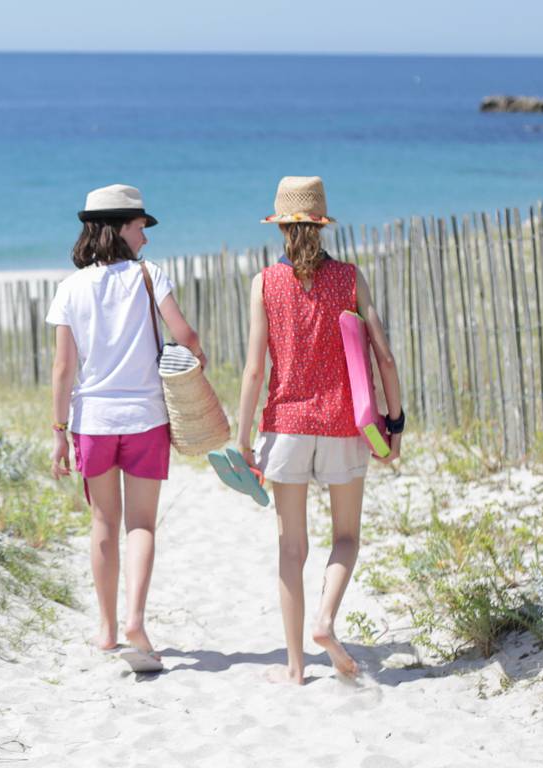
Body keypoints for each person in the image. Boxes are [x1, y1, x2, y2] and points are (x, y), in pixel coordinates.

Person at [234, 176, 405, 685]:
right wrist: (394, 423)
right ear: (322, 224)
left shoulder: (265, 283)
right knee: (346, 536)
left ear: (282, 227)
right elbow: (385, 355)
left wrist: (243, 440)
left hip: (284, 426)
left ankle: (293, 668)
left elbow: (253, 371)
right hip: (341, 425)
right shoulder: (350, 279)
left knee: (291, 548)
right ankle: (327, 620)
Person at [47, 184, 203, 665]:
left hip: (92, 421)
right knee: (141, 525)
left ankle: (108, 629)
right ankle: (136, 618)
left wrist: (59, 430)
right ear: (117, 228)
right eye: (140, 228)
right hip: (145, 419)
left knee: (102, 522)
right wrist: (198, 360)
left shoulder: (71, 288)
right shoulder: (149, 276)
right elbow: (185, 336)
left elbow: (63, 368)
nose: (146, 239)